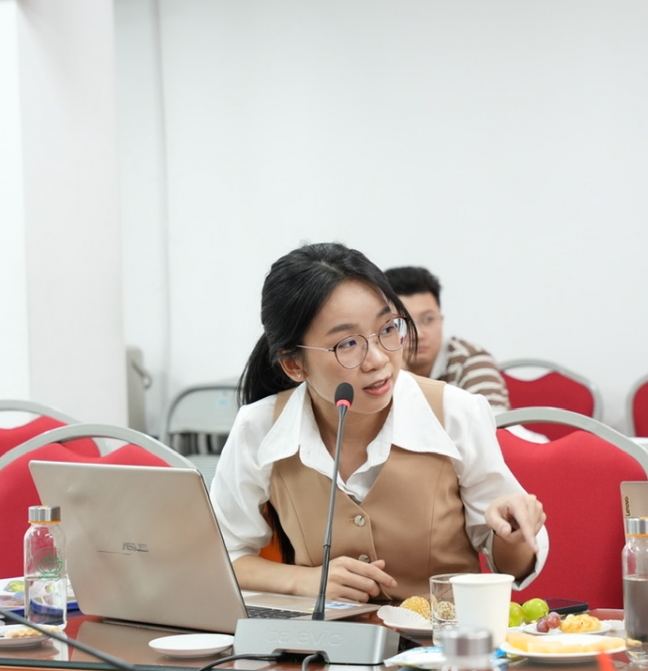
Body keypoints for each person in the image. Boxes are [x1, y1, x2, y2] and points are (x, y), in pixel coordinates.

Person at [211, 243, 548, 603]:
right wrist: (305, 580)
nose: (378, 359)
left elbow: (514, 568)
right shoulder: (259, 427)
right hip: (323, 637)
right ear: (294, 364)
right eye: (347, 344)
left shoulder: (456, 412)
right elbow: (221, 554)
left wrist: (512, 535)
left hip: (443, 635)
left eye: (388, 328)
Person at [384, 266, 511, 413]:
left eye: (428, 319)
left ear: (441, 320)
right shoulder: (380, 366)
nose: (418, 334)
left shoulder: (472, 361)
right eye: (403, 323)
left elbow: (492, 425)